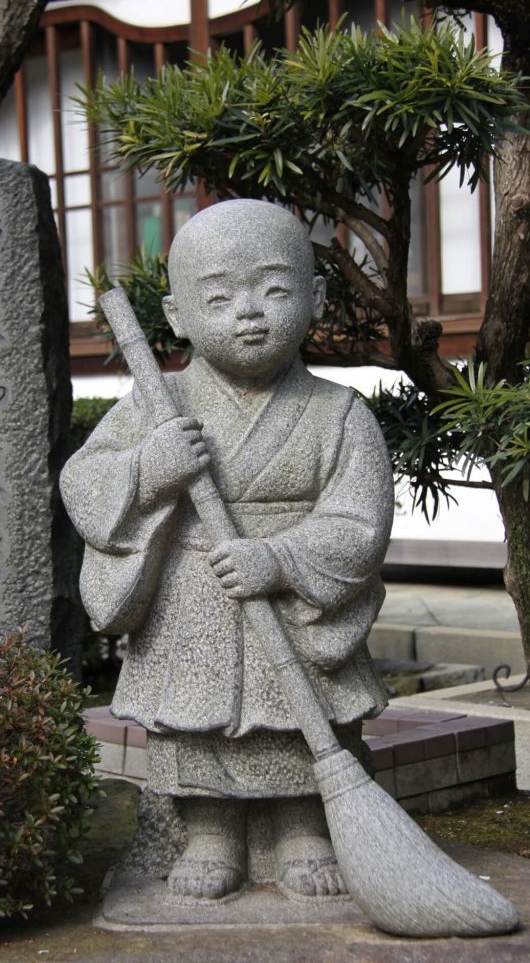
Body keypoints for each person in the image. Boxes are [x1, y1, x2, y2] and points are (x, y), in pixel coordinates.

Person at [60, 199, 394, 901]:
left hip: (289, 595)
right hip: (194, 594)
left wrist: (280, 559)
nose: (249, 312)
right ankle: (210, 832)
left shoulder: (339, 413)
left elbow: (360, 521)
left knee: (297, 720)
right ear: (177, 315)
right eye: (219, 298)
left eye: (273, 290)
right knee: (200, 722)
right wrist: (149, 468)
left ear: (316, 297)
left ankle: (304, 827)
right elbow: (83, 482)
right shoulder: (159, 404)